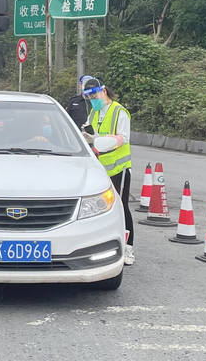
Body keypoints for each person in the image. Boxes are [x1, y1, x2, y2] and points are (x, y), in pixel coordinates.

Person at [81, 75, 134, 266]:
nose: (92, 100)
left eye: (94, 95)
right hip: (99, 170)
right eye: (89, 97)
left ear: (103, 91)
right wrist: (87, 136)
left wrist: (96, 140)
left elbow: (122, 138)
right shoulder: (94, 113)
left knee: (122, 208)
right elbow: (90, 135)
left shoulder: (120, 112)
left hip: (119, 169)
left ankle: (128, 248)